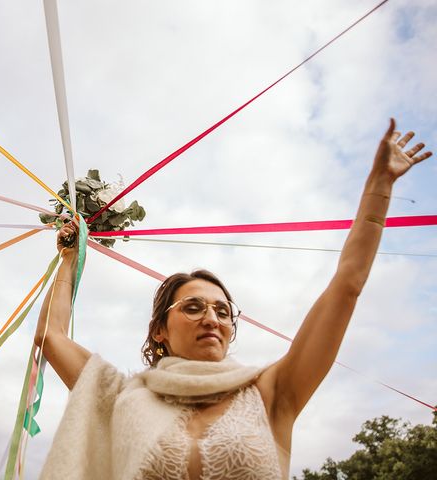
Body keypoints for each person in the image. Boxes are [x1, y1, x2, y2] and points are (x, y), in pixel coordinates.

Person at [34, 119, 432, 480]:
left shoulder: (272, 392)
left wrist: (379, 189)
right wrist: (70, 257)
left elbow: (346, 285)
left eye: (223, 311)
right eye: (193, 307)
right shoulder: (121, 397)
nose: (212, 318)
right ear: (159, 330)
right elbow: (52, 336)